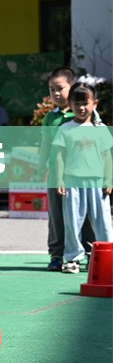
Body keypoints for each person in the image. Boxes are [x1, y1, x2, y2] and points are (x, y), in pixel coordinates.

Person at [37, 67, 96, 271]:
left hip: (82, 175)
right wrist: (41, 166)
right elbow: (45, 144)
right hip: (56, 175)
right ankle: (56, 255)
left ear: (72, 88)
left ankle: (90, 252)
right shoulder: (50, 118)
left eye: (60, 88)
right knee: (57, 216)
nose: (55, 93)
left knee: (87, 215)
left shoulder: (85, 113)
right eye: (51, 89)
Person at [52, 83, 113, 274]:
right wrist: (59, 179)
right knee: (72, 221)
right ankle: (73, 258)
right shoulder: (65, 128)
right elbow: (59, 156)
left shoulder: (101, 128)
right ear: (70, 104)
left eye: (85, 103)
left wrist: (109, 179)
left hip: (97, 182)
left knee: (103, 222)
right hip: (72, 182)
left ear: (94, 104)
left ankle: (106, 258)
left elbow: (107, 156)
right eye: (76, 103)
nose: (81, 108)